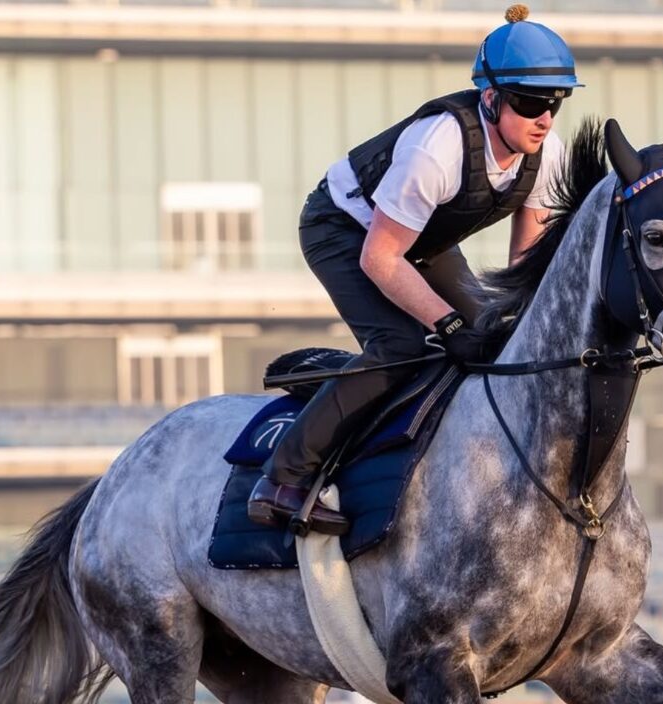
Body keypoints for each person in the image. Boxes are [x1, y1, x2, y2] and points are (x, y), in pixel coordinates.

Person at [247, 4, 583, 535]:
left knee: (495, 336)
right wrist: (447, 324)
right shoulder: (438, 148)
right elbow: (379, 259)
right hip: (345, 231)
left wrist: (506, 324)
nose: (544, 117)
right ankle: (283, 478)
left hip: (420, 239)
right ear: (491, 98)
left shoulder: (547, 154)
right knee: (402, 347)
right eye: (530, 101)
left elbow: (525, 268)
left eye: (554, 104)